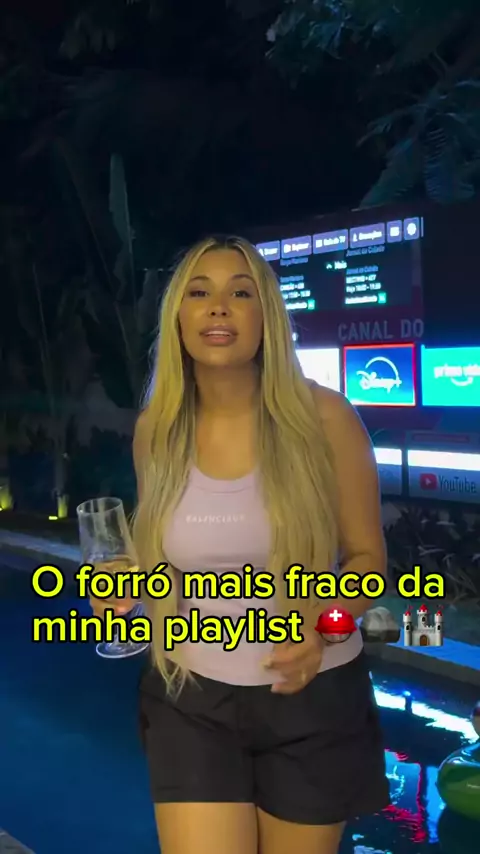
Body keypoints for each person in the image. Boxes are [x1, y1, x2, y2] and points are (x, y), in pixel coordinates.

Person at [92, 235, 390, 854]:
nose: (218, 307)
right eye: (199, 292)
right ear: (179, 318)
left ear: (266, 317)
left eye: (241, 293)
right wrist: (127, 585)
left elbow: (368, 563)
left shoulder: (325, 418)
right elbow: (165, 556)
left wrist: (323, 629)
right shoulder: (156, 431)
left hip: (312, 699)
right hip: (191, 696)